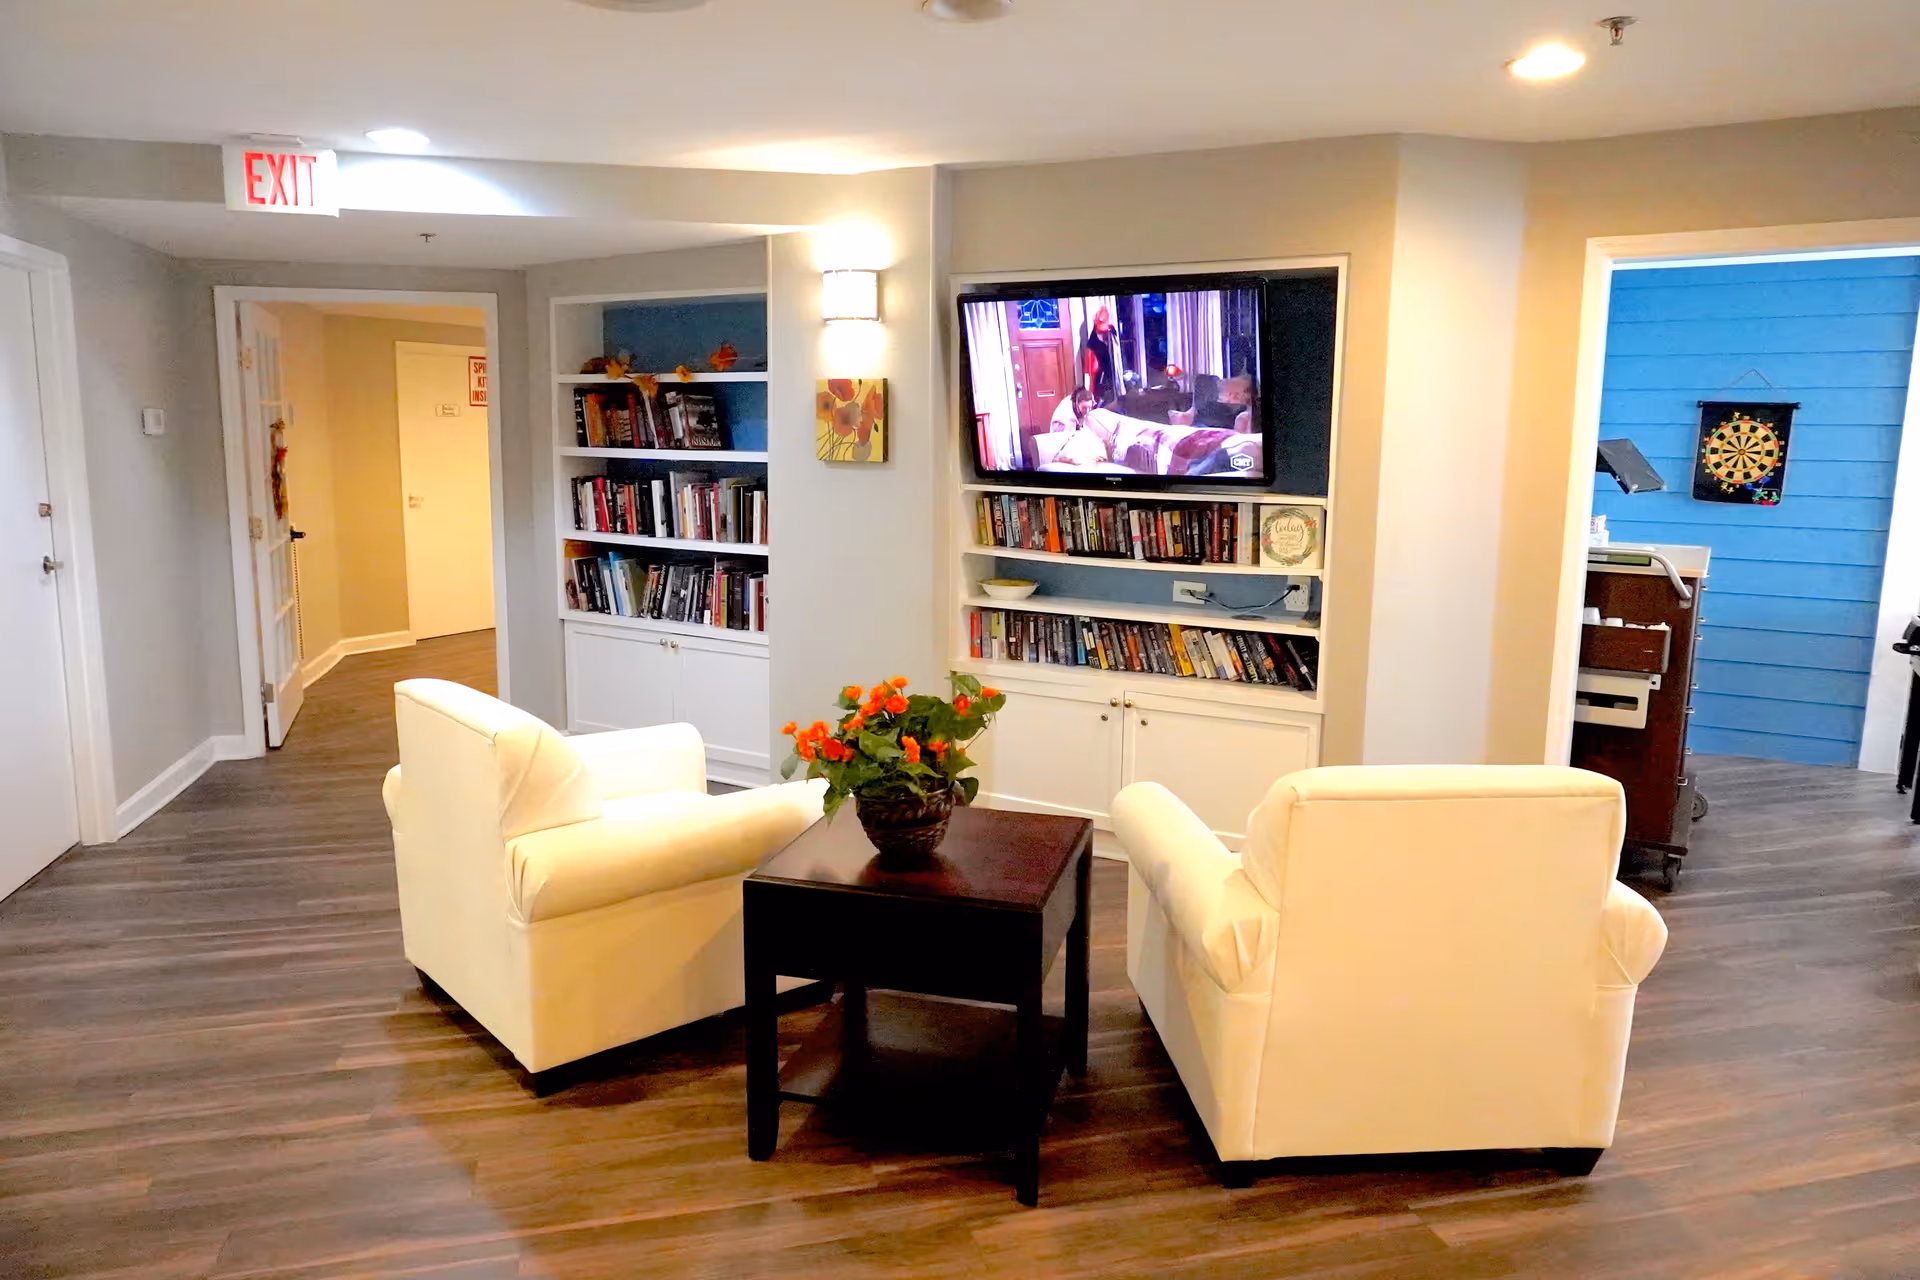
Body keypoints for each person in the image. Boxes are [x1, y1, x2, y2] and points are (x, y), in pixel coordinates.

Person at [1046, 386, 1115, 467]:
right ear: (1076, 403)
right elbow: (1069, 437)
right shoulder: (1069, 415)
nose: (1087, 411)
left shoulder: (1088, 397)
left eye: (1089, 408)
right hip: (1060, 430)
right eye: (1084, 408)